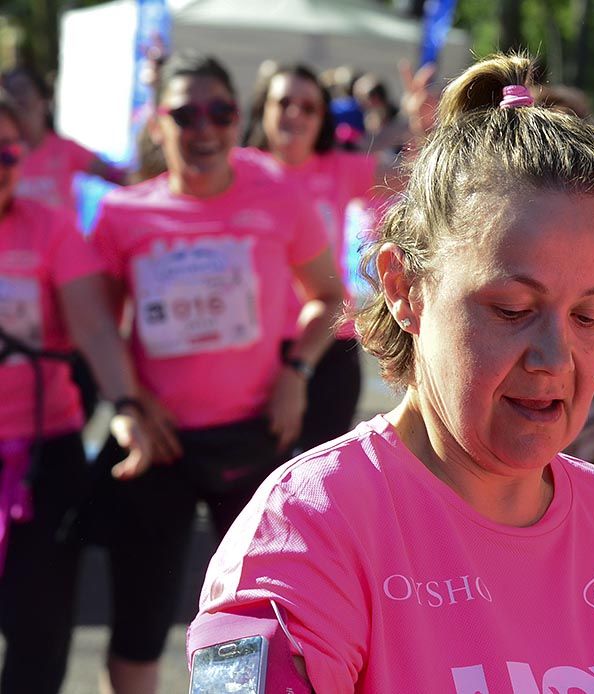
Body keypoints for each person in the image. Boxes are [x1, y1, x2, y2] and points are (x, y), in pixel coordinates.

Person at [186, 53, 594, 693]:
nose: (555, 357)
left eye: (591, 316)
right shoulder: (310, 527)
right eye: (512, 309)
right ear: (403, 288)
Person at [88, 51, 344, 694]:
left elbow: (328, 297)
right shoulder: (124, 213)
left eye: (220, 112)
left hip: (255, 438)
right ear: (158, 124)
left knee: (256, 630)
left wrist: (296, 371)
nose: (203, 128)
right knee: (140, 621)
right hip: (162, 445)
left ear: (236, 120)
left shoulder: (275, 192)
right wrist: (129, 402)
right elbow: (100, 326)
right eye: (185, 114)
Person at [0, 91, 152, 694]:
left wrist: (126, 406)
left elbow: (94, 328)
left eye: (7, 153)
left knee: (37, 634)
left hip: (41, 456)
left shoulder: (51, 228)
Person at [242, 63, 376, 449]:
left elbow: (413, 174)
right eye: (283, 102)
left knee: (323, 474)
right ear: (263, 109)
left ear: (322, 119)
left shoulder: (339, 168)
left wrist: (423, 129)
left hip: (329, 346)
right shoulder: (236, 171)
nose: (295, 113)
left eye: (308, 107)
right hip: (254, 348)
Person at [1, 66, 126, 210]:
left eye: (22, 88)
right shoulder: (6, 155)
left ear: (43, 98)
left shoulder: (65, 149)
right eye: (9, 89)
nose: (15, 96)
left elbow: (116, 175)